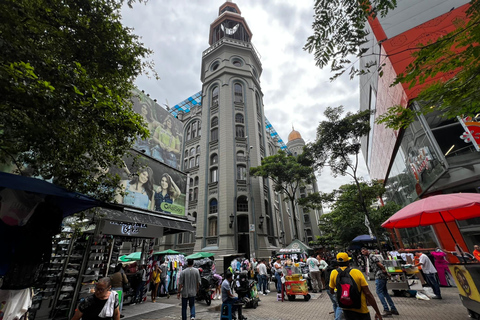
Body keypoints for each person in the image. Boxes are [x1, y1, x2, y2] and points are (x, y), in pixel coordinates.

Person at [329, 252, 383, 320]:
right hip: (361, 308)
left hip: (346, 308)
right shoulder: (356, 272)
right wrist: (377, 312)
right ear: (348, 261)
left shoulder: (333, 273)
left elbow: (331, 291)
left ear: (337, 262)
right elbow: (367, 293)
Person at [361, 248, 399, 316]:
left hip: (379, 275)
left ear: (367, 250)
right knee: (385, 292)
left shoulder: (372, 256)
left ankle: (386, 309)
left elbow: (380, 264)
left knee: (379, 292)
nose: (363, 253)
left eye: (364, 251)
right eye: (362, 252)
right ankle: (393, 309)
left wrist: (385, 271)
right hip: (381, 275)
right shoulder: (369, 257)